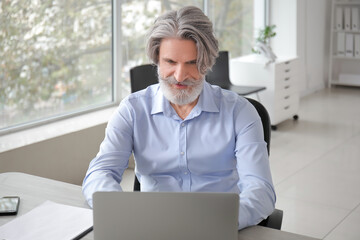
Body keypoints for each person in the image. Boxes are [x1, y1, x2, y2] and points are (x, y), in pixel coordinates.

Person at [82, 6, 275, 230]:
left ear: (207, 62)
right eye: (171, 62)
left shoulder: (240, 112)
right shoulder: (132, 110)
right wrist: (122, 210)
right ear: (157, 60)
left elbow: (261, 190)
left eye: (192, 63)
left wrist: (217, 222)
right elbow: (99, 173)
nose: (180, 76)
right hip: (151, 227)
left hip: (216, 227)